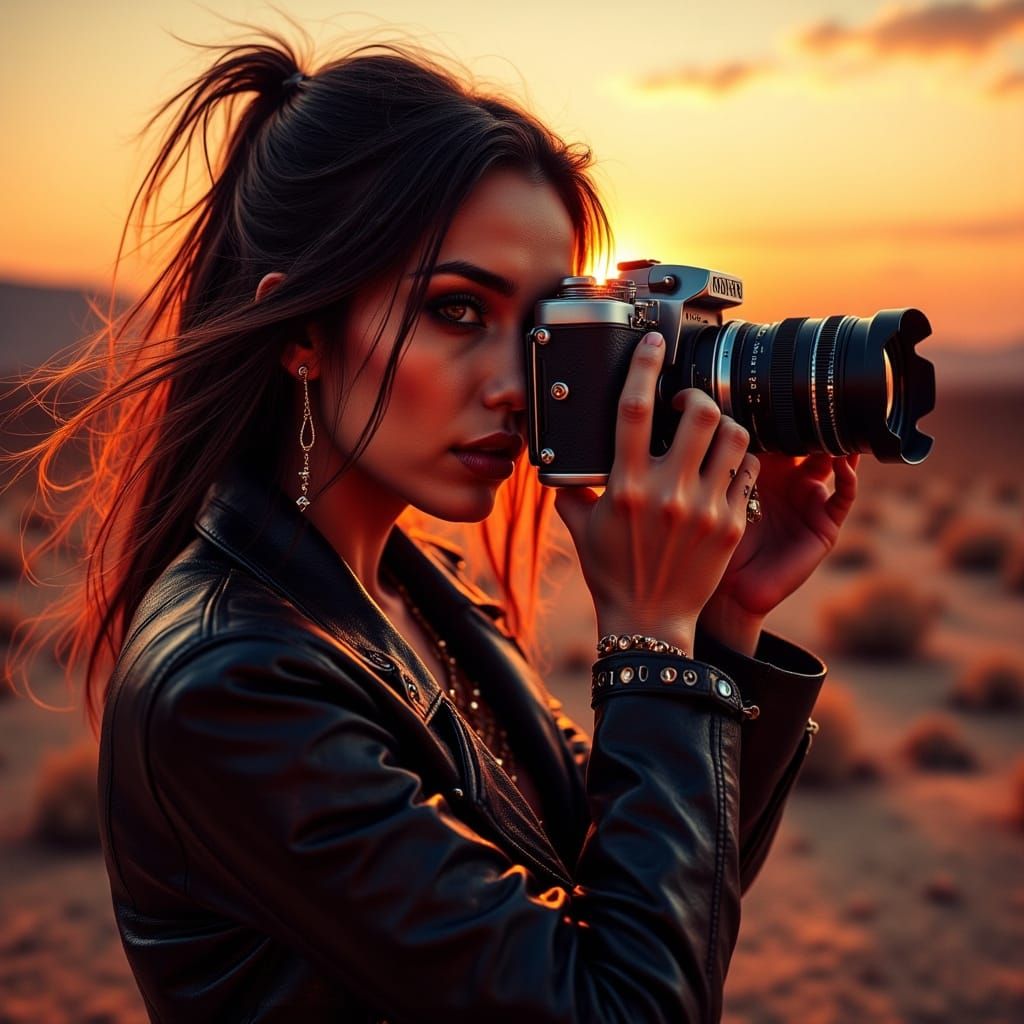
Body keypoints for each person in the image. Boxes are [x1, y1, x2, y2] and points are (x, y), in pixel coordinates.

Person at [5, 28, 860, 1024]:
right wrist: (647, 642)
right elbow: (627, 1004)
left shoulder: (406, 586)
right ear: (301, 333)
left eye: (541, 325)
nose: (515, 384)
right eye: (458, 311)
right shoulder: (229, 687)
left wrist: (718, 625)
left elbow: (642, 897)